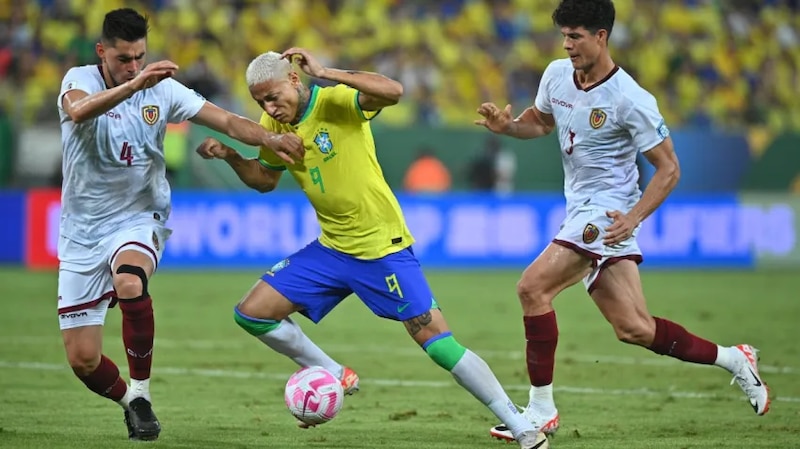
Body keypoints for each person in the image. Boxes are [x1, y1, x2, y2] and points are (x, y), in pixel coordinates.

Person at [196, 48, 547, 449]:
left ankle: (520, 425)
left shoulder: (335, 101)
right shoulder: (273, 122)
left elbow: (393, 91)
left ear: (295, 79)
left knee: (438, 343)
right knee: (252, 314)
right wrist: (230, 156)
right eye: (260, 102)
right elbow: (264, 180)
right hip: (331, 250)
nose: (269, 106)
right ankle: (331, 371)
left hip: (381, 248)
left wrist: (327, 72)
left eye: (273, 96)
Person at [474, 0, 771, 442]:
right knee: (634, 328)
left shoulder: (630, 98)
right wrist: (507, 126)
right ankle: (735, 358)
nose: (567, 44)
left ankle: (540, 411)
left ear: (602, 36)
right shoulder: (556, 74)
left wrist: (633, 217)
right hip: (581, 210)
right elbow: (540, 122)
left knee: (532, 287)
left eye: (576, 36)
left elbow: (669, 168)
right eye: (564, 35)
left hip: (608, 212)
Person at [56, 8, 303, 441]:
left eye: (139, 57)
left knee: (130, 281)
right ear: (102, 53)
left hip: (138, 215)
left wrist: (270, 137)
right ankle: (128, 402)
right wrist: (135, 85)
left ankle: (143, 391)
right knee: (84, 361)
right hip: (81, 230)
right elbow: (78, 113)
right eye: (123, 59)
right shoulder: (79, 80)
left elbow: (226, 120)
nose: (133, 66)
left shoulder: (163, 90)